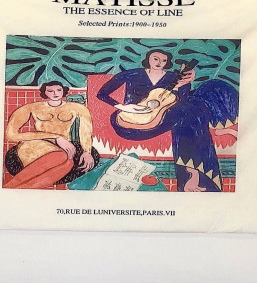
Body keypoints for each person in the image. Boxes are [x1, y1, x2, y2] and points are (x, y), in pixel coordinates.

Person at [96, 49, 238, 192]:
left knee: (210, 88)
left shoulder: (173, 77)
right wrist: (123, 107)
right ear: (148, 58)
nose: (159, 63)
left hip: (164, 118)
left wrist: (182, 85)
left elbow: (181, 101)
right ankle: (193, 173)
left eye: (163, 60)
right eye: (156, 58)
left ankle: (193, 174)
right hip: (129, 122)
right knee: (190, 111)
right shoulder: (132, 74)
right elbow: (101, 93)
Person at [3, 81, 96, 189]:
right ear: (45, 92)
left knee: (69, 163)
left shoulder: (78, 108)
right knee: (62, 157)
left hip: (63, 146)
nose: (55, 93)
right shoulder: (32, 107)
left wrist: (87, 152)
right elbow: (11, 135)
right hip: (34, 145)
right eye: (50, 91)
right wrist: (56, 137)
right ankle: (13, 187)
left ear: (63, 91)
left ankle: (14, 187)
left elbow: (85, 132)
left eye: (58, 90)